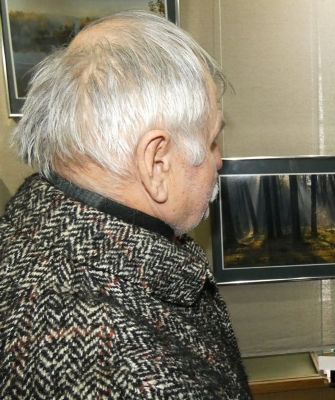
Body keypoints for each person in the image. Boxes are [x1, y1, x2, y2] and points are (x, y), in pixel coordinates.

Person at [0, 10, 251, 399]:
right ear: (157, 163)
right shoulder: (133, 374)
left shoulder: (32, 236)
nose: (218, 160)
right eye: (212, 140)